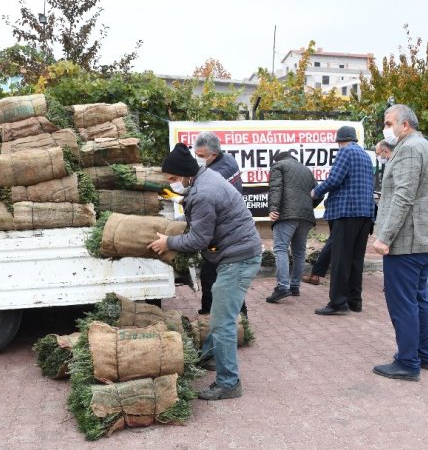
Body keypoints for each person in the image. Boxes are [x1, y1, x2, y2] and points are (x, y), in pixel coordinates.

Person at [148, 143, 261, 400]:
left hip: (238, 259)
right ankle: (208, 357)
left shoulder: (203, 192)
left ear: (186, 173)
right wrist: (170, 226)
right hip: (234, 254)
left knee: (222, 322)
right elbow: (196, 219)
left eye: (174, 179)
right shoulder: (205, 178)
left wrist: (168, 242)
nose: (173, 183)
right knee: (219, 313)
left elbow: (197, 239)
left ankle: (229, 383)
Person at [372, 104, 428, 382]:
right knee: (419, 299)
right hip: (422, 240)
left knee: (403, 303)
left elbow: (403, 196)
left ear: (405, 125)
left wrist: (384, 237)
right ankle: (425, 355)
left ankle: (408, 361)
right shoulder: (427, 147)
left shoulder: (410, 149)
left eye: (389, 122)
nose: (386, 128)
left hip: (407, 241)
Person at [311, 125, 374, 315]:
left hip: (347, 211)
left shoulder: (345, 152)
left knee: (340, 259)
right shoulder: (365, 156)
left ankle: (338, 302)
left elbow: (334, 180)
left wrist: (316, 192)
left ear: (340, 141)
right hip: (365, 213)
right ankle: (355, 301)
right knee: (356, 259)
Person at [192, 132, 248, 316]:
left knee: (213, 274)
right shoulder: (227, 160)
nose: (197, 159)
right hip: (226, 230)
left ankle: (213, 314)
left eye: (200, 156)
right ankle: (231, 314)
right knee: (222, 274)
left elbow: (205, 196)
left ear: (213, 155)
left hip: (226, 233)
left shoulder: (219, 171)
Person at [265, 151, 317, 303]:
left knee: (280, 249)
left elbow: (275, 187)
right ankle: (295, 286)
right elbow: (317, 193)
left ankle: (282, 287)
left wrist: (273, 209)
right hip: (306, 216)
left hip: (286, 215)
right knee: (299, 252)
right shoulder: (307, 170)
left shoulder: (278, 165)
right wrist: (308, 207)